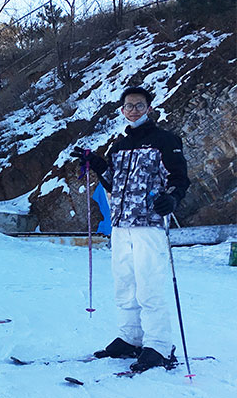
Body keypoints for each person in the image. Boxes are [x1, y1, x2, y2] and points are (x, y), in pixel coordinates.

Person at [71, 86, 190, 372]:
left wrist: (171, 197)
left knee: (149, 283)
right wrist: (99, 165)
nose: (133, 110)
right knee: (124, 283)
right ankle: (131, 337)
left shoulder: (165, 140)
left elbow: (179, 177)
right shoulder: (120, 143)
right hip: (121, 224)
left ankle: (159, 345)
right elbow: (113, 183)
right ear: (122, 110)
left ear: (149, 108)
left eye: (139, 105)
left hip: (148, 224)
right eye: (128, 106)